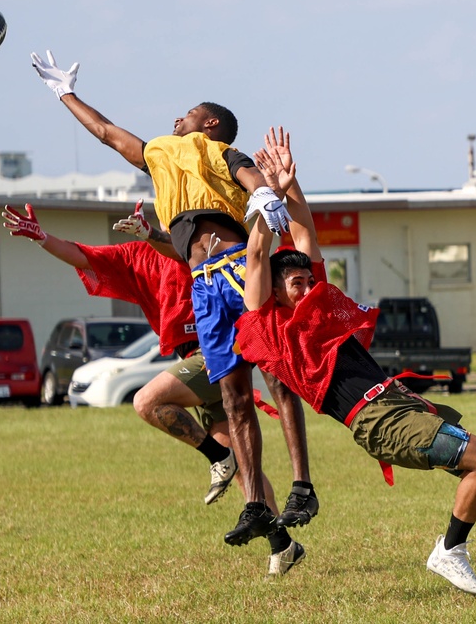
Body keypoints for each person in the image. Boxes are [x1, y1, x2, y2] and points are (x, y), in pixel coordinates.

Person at [234, 128, 476, 595]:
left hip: (397, 401)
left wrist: (290, 186)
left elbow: (304, 229)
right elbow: (255, 255)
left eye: (308, 280)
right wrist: (263, 200)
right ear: (273, 293)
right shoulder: (269, 327)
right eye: (295, 284)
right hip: (373, 419)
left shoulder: (321, 305)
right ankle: (449, 551)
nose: (308, 287)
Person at [29, 50, 318, 545]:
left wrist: (264, 194)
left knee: (273, 372)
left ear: (206, 124)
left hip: (236, 267)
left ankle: (302, 484)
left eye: (185, 114)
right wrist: (64, 93)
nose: (175, 119)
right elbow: (105, 131)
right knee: (233, 396)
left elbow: (247, 174)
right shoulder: (161, 154)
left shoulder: (214, 149)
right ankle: (255, 504)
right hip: (204, 281)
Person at [1, 203, 305, 576]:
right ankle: (283, 544)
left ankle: (216, 456)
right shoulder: (138, 254)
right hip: (199, 363)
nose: (180, 222)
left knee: (147, 401)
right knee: (247, 473)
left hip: (215, 356)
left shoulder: (206, 247)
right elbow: (82, 255)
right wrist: (42, 237)